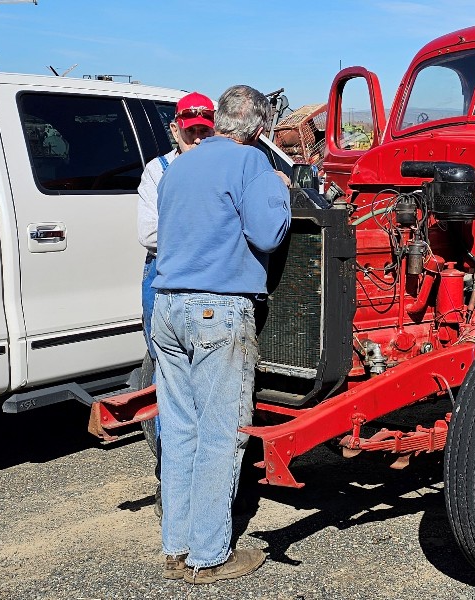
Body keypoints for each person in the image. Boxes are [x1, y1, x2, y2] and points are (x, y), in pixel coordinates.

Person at [151, 85, 291, 584]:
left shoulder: (178, 165)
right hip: (216, 312)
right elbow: (268, 235)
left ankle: (177, 546)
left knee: (181, 428)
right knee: (220, 434)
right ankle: (210, 555)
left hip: (166, 311)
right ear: (257, 128)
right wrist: (279, 187)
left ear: (216, 121)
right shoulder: (251, 163)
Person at [137, 92, 215, 518]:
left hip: (210, 283)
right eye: (191, 131)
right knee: (171, 384)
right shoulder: (158, 171)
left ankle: (211, 482)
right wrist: (209, 231)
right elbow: (149, 233)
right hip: (167, 280)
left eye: (205, 130)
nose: (198, 138)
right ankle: (172, 482)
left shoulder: (224, 168)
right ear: (176, 129)